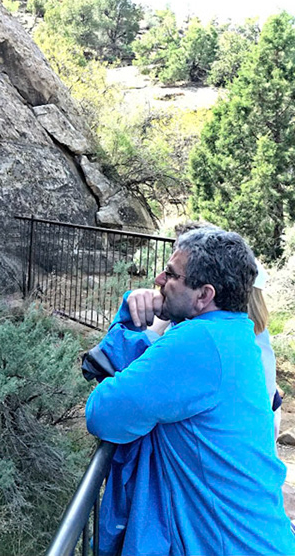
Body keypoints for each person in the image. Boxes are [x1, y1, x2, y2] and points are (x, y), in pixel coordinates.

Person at [84, 227, 295, 555]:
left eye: (171, 274)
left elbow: (103, 414)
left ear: (203, 295)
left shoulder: (198, 343)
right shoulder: (235, 333)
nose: (157, 279)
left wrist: (128, 324)